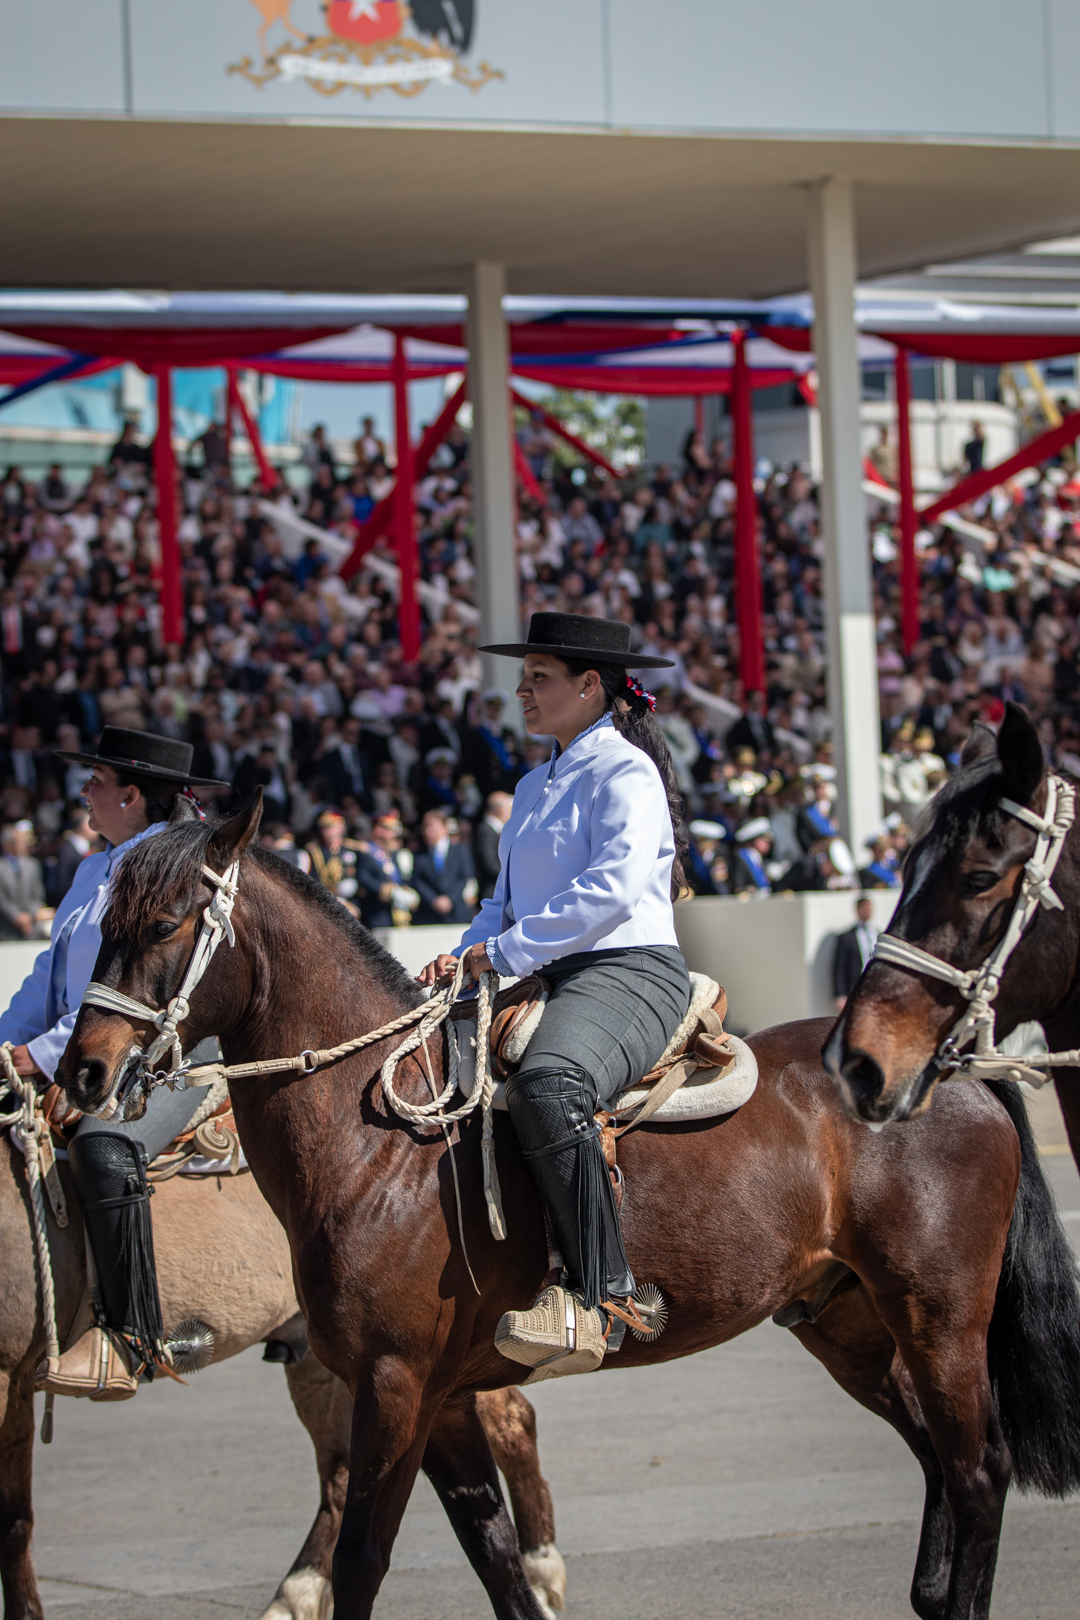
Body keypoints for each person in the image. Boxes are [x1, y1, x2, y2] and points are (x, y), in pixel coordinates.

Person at [418, 613, 691, 1378]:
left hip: (630, 969)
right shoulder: (532, 784)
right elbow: (500, 902)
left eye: (539, 677)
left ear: (590, 685)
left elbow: (610, 891)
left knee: (548, 1084)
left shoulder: (626, 772)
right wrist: (463, 955)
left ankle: (603, 1296)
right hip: (548, 970)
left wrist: (501, 954)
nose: (523, 692)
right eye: (524, 677)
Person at [0, 729, 229, 1399]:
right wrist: (8, 1043)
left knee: (102, 1147)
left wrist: (46, 1053)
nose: (84, 791)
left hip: (163, 1051)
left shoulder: (168, 871)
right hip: (88, 1047)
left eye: (95, 781)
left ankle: (133, 1335)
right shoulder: (89, 869)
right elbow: (47, 978)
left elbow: (135, 990)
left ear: (131, 796)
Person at [412, 808, 477, 925]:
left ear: (444, 828)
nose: (428, 832)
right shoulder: (419, 855)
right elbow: (417, 880)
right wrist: (433, 900)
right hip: (429, 914)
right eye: (425, 828)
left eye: (432, 827)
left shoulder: (460, 851)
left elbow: (465, 877)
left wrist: (450, 899)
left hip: (457, 912)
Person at [0, 820, 50, 939]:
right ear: (7, 844)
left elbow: (37, 895)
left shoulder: (32, 865)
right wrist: (17, 916)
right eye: (19, 842)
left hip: (30, 929)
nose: (23, 845)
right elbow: (2, 899)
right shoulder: (1, 866)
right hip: (5, 931)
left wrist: (30, 915)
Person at [833, 897, 879, 1009]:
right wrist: (841, 994)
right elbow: (840, 966)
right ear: (857, 910)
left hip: (876, 985)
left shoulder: (878, 933)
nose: (867, 911)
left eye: (869, 908)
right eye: (864, 908)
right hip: (856, 987)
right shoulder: (847, 937)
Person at [473, 791, 513, 900]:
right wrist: (513, 873)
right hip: (492, 891)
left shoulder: (494, 830)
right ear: (500, 810)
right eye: (509, 808)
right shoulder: (485, 830)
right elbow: (490, 863)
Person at [731, 817, 773, 895]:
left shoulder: (758, 859)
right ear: (754, 840)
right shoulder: (742, 858)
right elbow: (739, 886)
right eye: (764, 839)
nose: (768, 843)